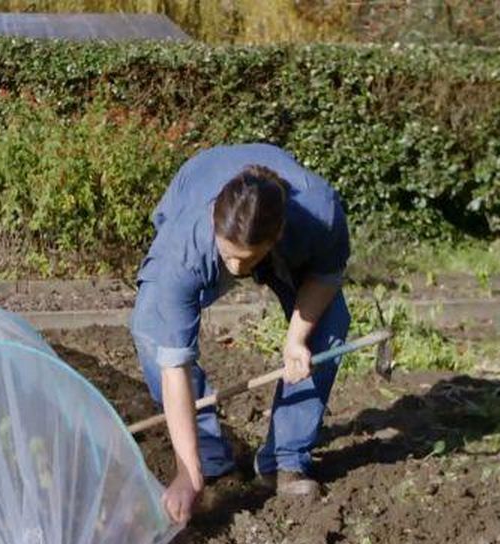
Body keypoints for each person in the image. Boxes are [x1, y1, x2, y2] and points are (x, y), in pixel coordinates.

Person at [130, 143, 351, 524]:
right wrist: (187, 472)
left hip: (289, 239)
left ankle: (285, 459)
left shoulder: (320, 213)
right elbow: (173, 366)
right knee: (153, 330)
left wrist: (296, 338)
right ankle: (211, 461)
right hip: (196, 209)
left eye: (245, 259)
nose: (234, 267)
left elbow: (326, 277)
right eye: (228, 255)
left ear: (276, 235)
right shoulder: (183, 251)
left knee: (328, 326)